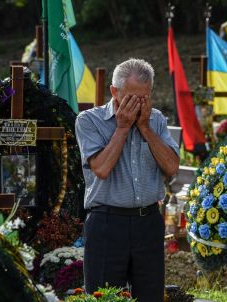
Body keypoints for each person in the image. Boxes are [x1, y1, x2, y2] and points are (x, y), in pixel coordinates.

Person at [75, 58, 180, 301]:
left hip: (148, 222)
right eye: (131, 97)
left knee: (150, 295)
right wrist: (122, 128)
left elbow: (171, 166)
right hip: (107, 222)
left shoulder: (156, 120)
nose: (138, 104)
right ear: (114, 91)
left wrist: (145, 128)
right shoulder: (89, 121)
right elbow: (101, 168)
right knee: (104, 296)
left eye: (144, 97)